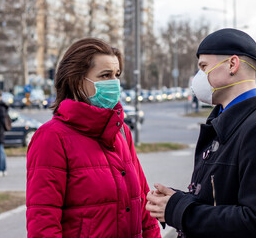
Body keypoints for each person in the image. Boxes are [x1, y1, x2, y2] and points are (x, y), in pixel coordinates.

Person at [146, 28, 256, 238]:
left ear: (232, 65)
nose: (198, 77)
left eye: (203, 67)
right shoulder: (226, 122)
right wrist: (175, 201)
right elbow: (219, 200)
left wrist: (180, 211)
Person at [26, 38, 161, 237]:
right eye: (105, 75)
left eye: (116, 75)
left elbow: (141, 200)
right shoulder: (52, 137)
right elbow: (43, 222)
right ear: (77, 79)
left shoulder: (121, 130)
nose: (114, 83)